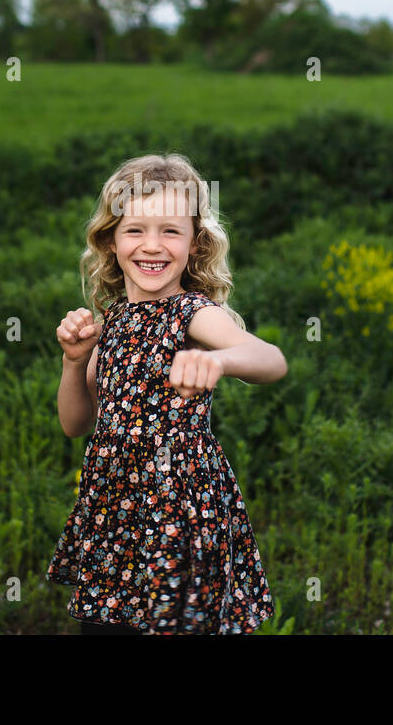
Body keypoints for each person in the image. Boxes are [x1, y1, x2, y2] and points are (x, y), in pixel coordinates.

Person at [47, 152, 287, 634]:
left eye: (170, 231)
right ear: (110, 241)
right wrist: (75, 363)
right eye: (135, 230)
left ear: (195, 244)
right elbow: (75, 424)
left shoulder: (193, 314)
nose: (151, 246)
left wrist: (216, 360)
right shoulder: (112, 321)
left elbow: (270, 359)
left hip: (179, 512)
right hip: (115, 511)